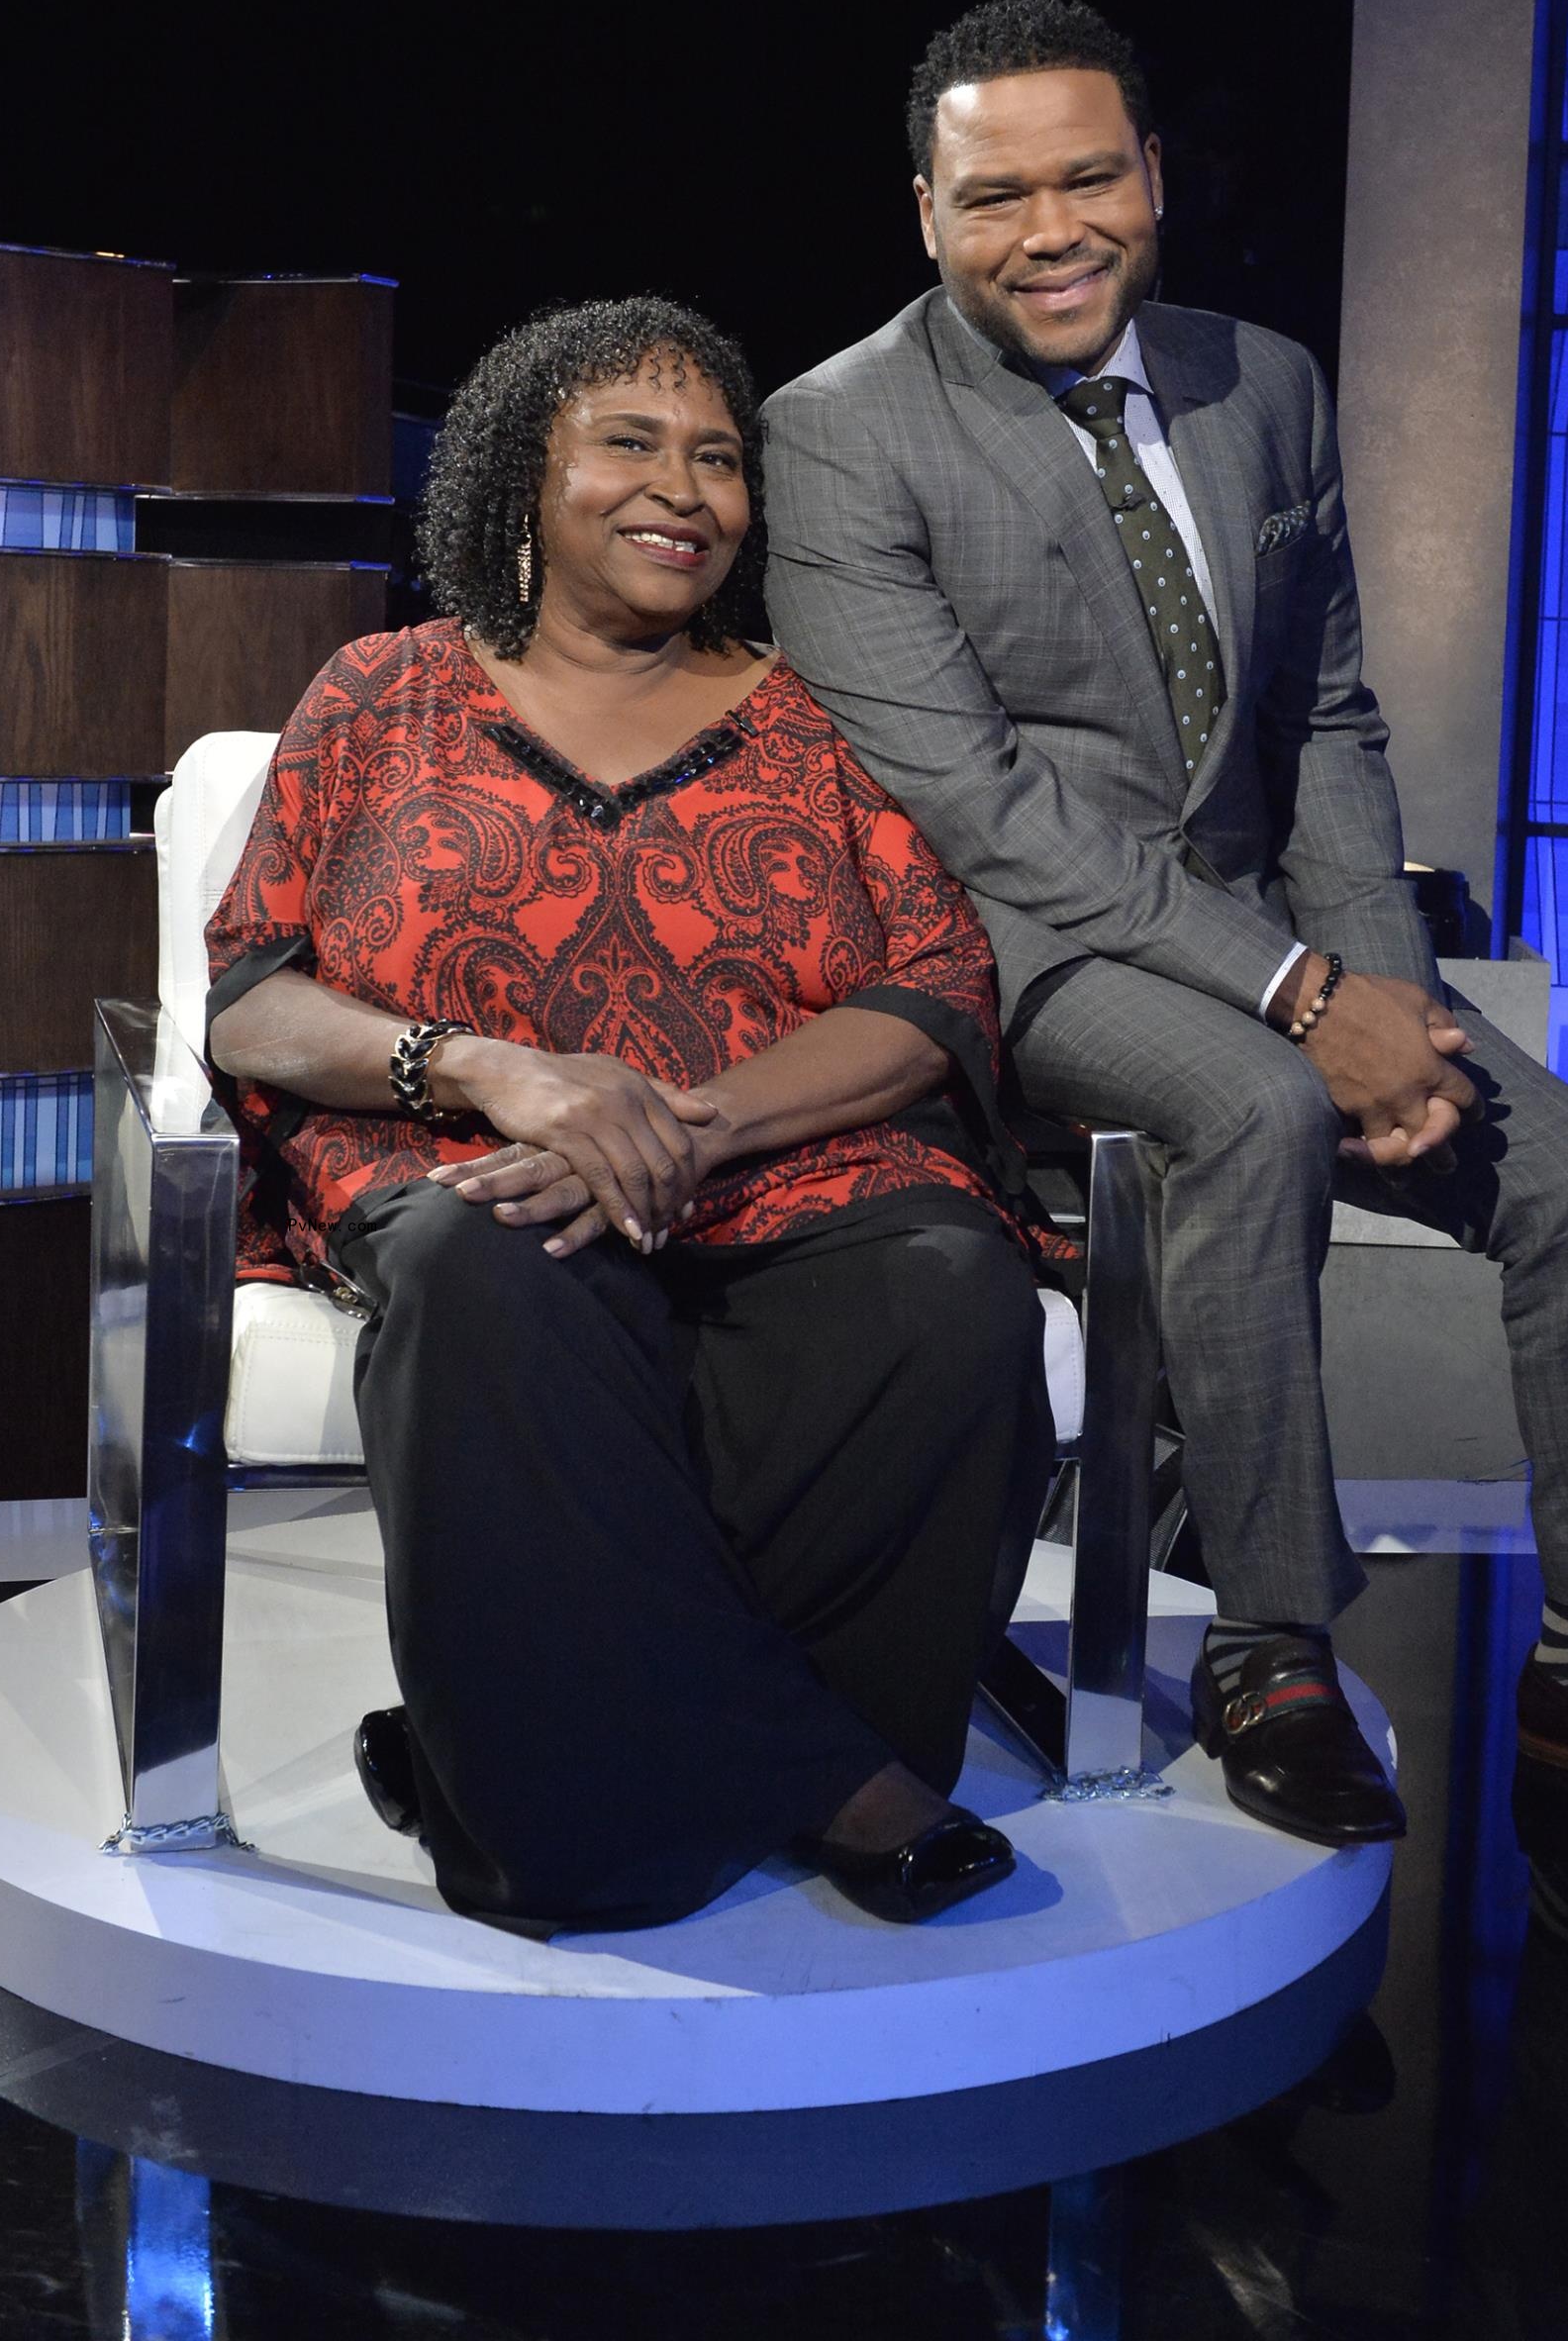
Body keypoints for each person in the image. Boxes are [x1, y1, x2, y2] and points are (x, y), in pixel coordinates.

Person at [760, 0, 1568, 1851]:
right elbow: (975, 810)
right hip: (1028, 950)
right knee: (1251, 1112)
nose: (1051, 228)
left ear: (1153, 175)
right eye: (995, 196)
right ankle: (1272, 1645)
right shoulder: (839, 432)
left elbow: (1323, 728)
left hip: (1271, 929)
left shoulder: (1266, 382)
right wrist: (1305, 996)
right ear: (927, 213)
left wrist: (1394, 1015)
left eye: (1090, 177)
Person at [205, 293, 1054, 1935]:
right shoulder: (380, 692)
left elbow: (941, 980)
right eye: (633, 443)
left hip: (784, 1162)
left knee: (953, 1290)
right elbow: (255, 986)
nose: (687, 487)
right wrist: (485, 1066)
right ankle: (819, 1783)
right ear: (529, 473)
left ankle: (485, 1744)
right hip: (463, 1157)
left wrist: (703, 1125)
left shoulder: (821, 715)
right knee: (483, 1272)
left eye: (720, 458)